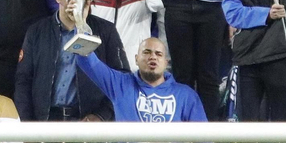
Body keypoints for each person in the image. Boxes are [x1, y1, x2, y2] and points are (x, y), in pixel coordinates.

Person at [15, 0, 128, 121]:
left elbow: (122, 79)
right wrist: (28, 125)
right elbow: (23, 81)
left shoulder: (106, 31)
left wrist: (101, 116)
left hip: (87, 123)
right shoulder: (36, 32)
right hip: (46, 122)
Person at [75, 36, 206, 122]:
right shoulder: (120, 84)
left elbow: (204, 137)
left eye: (158, 54)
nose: (153, 57)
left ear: (166, 63)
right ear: (136, 59)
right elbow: (88, 61)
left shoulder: (186, 95)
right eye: (147, 52)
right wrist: (79, 23)